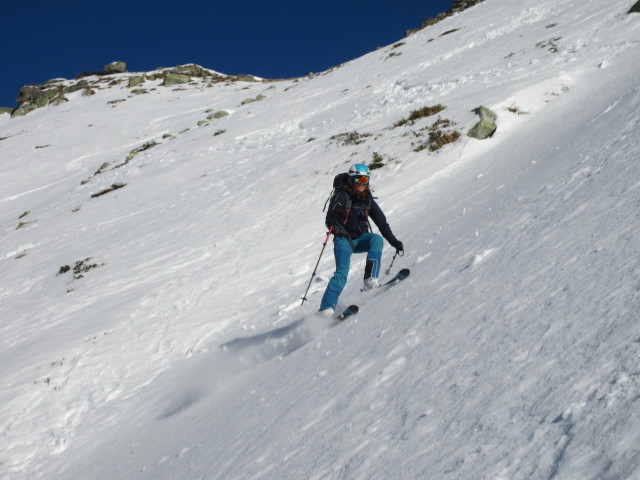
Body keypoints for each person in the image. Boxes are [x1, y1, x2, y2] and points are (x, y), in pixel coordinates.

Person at [319, 164, 404, 315]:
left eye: (365, 179)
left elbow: (381, 222)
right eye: (358, 179)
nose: (362, 183)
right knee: (342, 273)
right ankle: (326, 310)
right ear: (352, 179)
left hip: (360, 239)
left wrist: (394, 242)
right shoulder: (342, 196)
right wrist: (335, 211)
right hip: (343, 240)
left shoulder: (367, 199)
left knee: (376, 240)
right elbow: (329, 220)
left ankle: (370, 281)